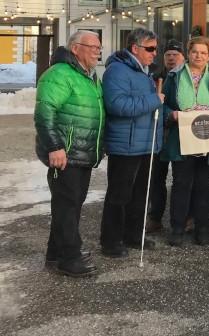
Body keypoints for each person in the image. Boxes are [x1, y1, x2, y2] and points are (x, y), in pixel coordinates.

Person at [34, 30, 104, 277]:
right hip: (65, 153)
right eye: (93, 47)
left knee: (71, 204)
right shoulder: (59, 75)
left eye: (99, 48)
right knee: (67, 206)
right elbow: (44, 114)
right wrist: (55, 146)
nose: (97, 52)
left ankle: (56, 252)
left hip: (82, 152)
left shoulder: (89, 76)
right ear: (75, 48)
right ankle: (69, 258)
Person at [99, 28, 164, 258]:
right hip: (126, 145)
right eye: (151, 48)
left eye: (156, 48)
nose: (155, 53)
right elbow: (118, 106)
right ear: (135, 49)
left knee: (140, 195)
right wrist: (153, 99)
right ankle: (111, 241)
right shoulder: (117, 71)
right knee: (120, 195)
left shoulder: (143, 71)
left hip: (145, 143)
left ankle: (134, 235)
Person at [161, 36, 209, 246]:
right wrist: (171, 114)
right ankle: (178, 228)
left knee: (204, 185)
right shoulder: (173, 78)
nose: (198, 55)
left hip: (208, 140)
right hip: (181, 139)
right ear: (188, 54)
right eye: (194, 52)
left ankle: (203, 228)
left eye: (203, 52)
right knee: (181, 184)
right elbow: (163, 104)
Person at [147, 39, 185, 233]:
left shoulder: (188, 78)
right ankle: (155, 217)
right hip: (159, 135)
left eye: (175, 55)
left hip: (181, 136)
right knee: (156, 179)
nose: (171, 58)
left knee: (182, 180)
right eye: (168, 55)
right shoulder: (155, 77)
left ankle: (184, 218)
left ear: (182, 57)